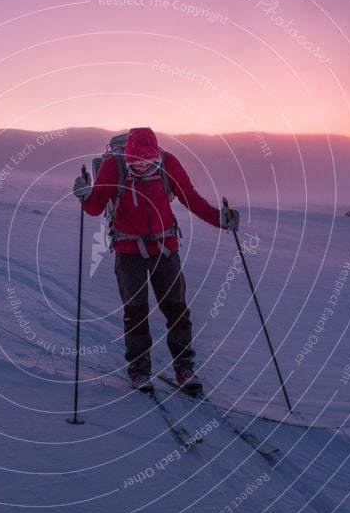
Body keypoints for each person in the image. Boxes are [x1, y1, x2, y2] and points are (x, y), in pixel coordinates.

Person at [73, 127, 239, 394]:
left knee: (177, 310)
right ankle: (139, 372)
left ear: (157, 156)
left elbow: (190, 198)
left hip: (165, 247)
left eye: (148, 161)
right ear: (126, 155)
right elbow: (96, 208)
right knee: (136, 314)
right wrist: (86, 196)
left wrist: (219, 219)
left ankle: (184, 368)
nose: (141, 165)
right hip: (129, 250)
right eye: (135, 161)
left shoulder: (169, 163)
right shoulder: (113, 167)